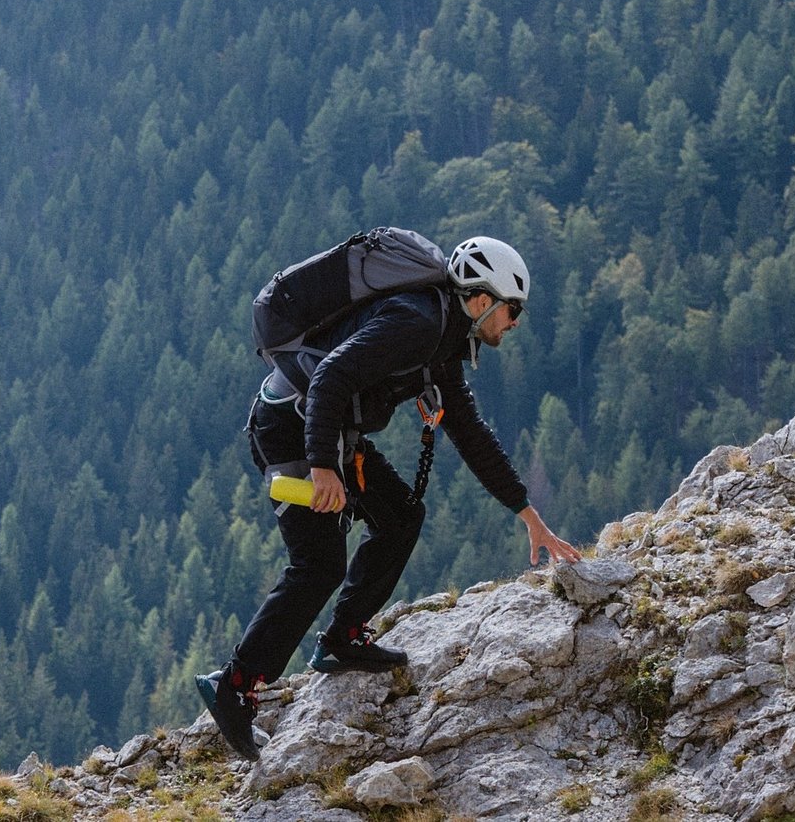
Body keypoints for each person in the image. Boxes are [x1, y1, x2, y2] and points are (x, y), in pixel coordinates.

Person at [195, 235, 582, 760]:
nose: (514, 323)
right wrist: (323, 467)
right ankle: (234, 685)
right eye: (512, 310)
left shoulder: (444, 344)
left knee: (401, 515)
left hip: (330, 433)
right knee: (317, 565)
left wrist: (527, 513)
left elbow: (470, 434)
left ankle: (343, 639)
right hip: (291, 427)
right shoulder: (417, 322)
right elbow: (330, 375)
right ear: (480, 299)